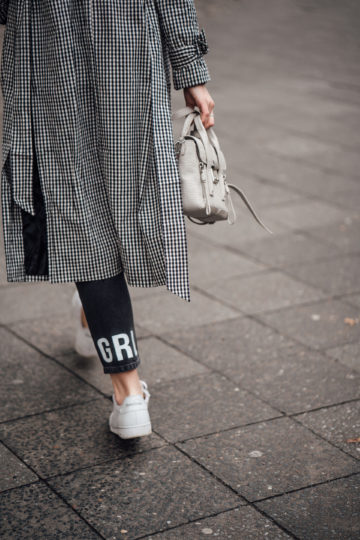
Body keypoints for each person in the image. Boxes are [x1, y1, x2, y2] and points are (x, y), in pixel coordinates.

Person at [0, 1, 215, 439]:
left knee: (76, 205)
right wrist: (191, 70)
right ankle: (119, 375)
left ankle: (128, 389)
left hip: (46, 42)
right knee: (128, 186)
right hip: (128, 39)